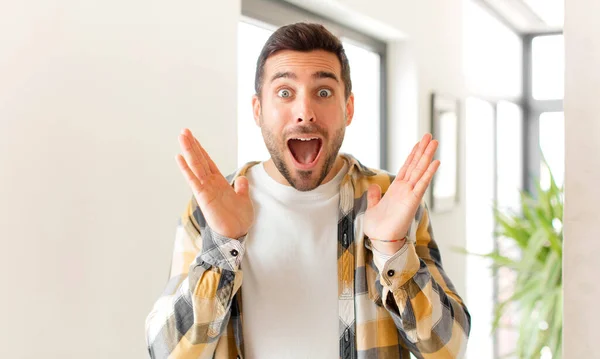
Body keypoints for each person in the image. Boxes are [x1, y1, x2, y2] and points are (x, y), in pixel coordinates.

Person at [145, 22, 471, 359]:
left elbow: (449, 348)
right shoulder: (210, 209)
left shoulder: (393, 200)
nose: (305, 113)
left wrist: (392, 251)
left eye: (324, 92)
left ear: (349, 108)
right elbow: (167, 351)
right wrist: (223, 248)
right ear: (258, 110)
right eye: (285, 92)